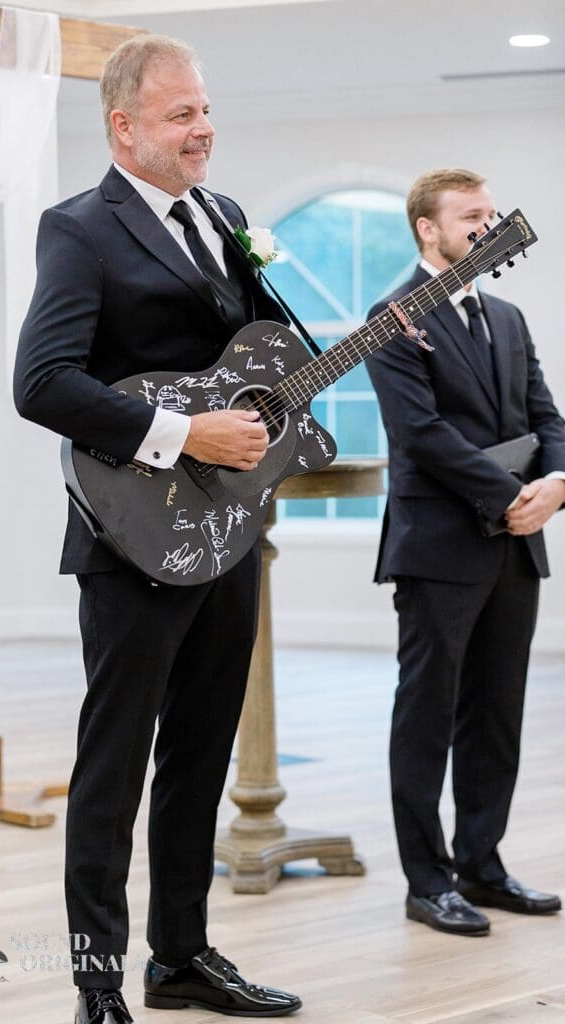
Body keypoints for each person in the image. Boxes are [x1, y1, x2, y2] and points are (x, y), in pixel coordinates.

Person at [14, 34, 301, 1024]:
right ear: (123, 127)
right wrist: (183, 433)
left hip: (225, 534)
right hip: (130, 539)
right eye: (180, 114)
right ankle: (97, 984)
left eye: (205, 109)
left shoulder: (223, 218)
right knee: (114, 763)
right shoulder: (78, 227)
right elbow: (41, 383)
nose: (202, 128)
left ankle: (180, 957)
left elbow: (257, 359)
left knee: (200, 749)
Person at [366, 168, 565, 937]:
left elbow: (547, 414)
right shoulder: (390, 317)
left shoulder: (507, 316)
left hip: (516, 547)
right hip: (439, 547)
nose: (486, 227)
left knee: (495, 712)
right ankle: (426, 881)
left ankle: (482, 865)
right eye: (470, 216)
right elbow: (420, 433)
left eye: (489, 215)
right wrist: (506, 495)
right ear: (428, 228)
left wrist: (554, 484)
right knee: (426, 714)